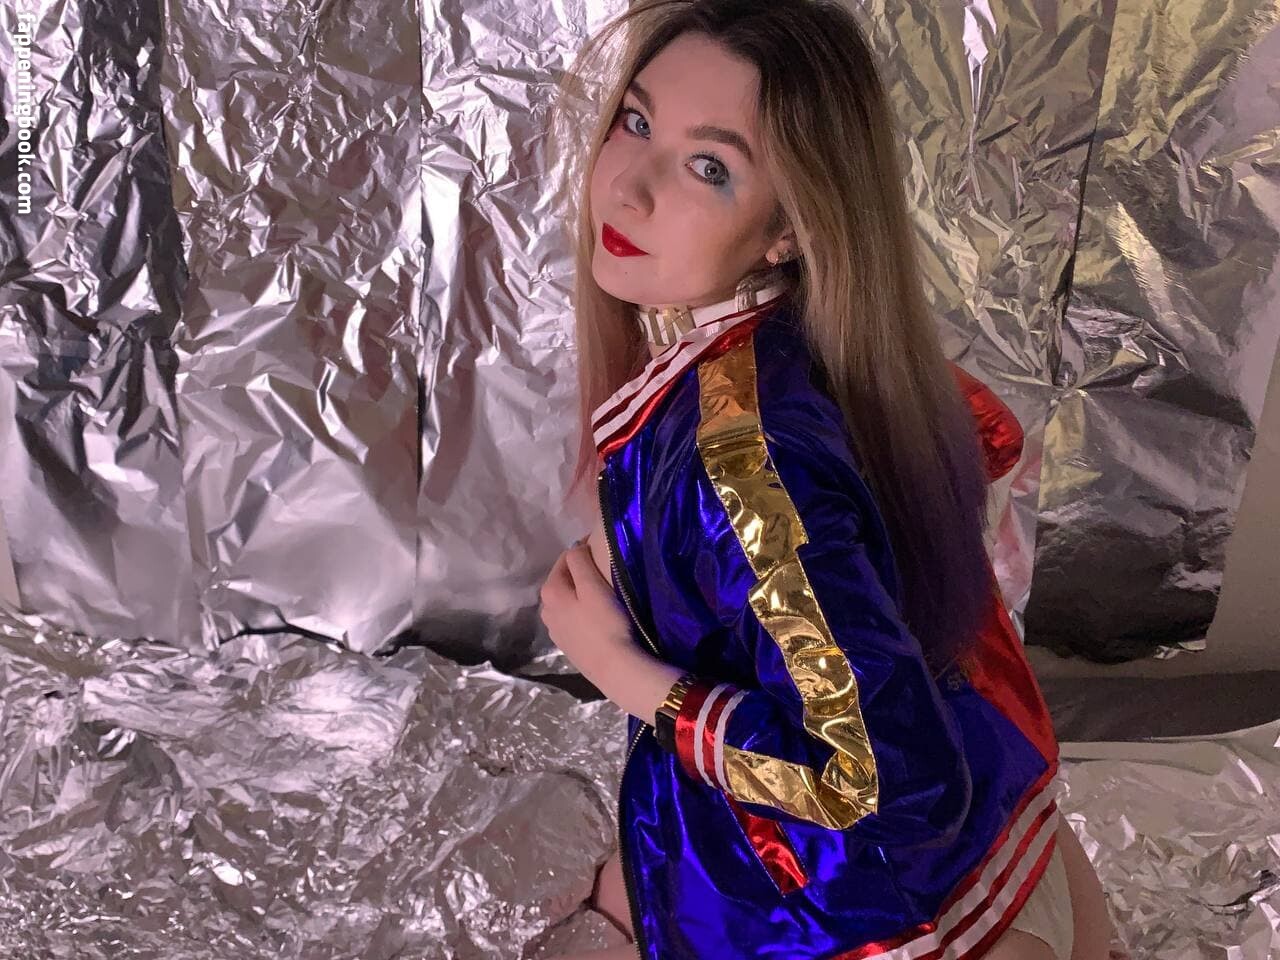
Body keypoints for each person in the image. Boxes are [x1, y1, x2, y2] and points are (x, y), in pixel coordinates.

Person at [537, 2, 1121, 957]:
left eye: (709, 166)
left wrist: (626, 674)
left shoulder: (745, 464)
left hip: (882, 913)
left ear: (787, 228)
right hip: (999, 827)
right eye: (636, 121)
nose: (628, 188)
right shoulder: (812, 352)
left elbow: (880, 782)